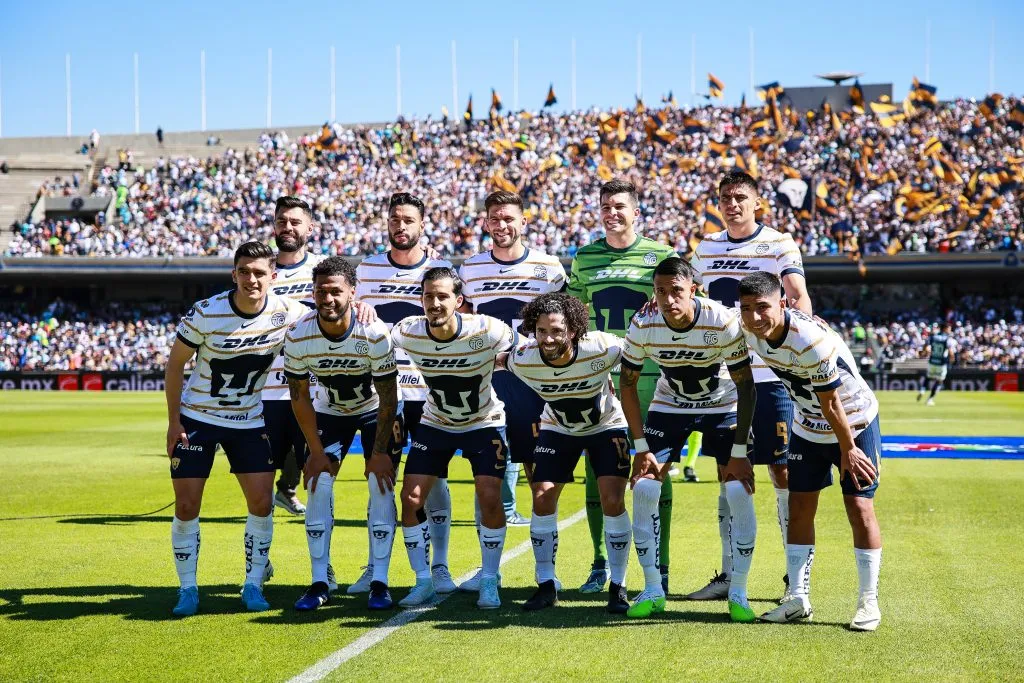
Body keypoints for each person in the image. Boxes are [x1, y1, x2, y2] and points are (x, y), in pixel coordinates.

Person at [164, 241, 309, 616]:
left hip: (249, 420)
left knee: (261, 503)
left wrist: (360, 310)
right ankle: (187, 589)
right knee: (186, 505)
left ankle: (253, 583)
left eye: (259, 272)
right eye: (244, 271)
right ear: (234, 275)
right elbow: (175, 364)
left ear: (273, 277)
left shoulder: (288, 311)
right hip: (198, 419)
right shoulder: (206, 312)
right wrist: (174, 421)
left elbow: (329, 315)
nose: (251, 279)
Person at [688, 169, 812, 603]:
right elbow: (691, 296)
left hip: (770, 375)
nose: (732, 203)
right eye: (725, 197)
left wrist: (794, 344)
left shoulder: (778, 242)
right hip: (723, 377)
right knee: (728, 475)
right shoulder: (706, 247)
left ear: (757, 202)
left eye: (741, 196)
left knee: (782, 472)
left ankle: (793, 579)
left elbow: (797, 294)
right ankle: (729, 574)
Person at [737, 272, 882, 631]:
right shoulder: (747, 327)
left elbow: (832, 405)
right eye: (747, 309)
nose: (754, 317)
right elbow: (704, 313)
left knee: (859, 507)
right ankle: (798, 599)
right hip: (807, 425)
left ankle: (868, 602)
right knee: (799, 507)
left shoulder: (809, 340)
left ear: (783, 304)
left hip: (854, 422)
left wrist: (848, 450)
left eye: (763, 308)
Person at [620, 257, 758, 621]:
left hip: (722, 404)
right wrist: (641, 447)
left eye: (676, 290)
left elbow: (746, 385)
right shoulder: (643, 322)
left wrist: (741, 450)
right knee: (645, 488)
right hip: (670, 405)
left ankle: (738, 592)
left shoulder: (722, 320)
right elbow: (628, 385)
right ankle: (652, 589)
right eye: (661, 291)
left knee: (737, 490)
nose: (668, 299)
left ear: (693, 289)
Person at [567, 178, 677, 594]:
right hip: (600, 378)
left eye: (619, 206)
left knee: (656, 472)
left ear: (636, 213)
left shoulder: (662, 256)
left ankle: (661, 566)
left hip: (652, 378)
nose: (612, 213)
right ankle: (600, 563)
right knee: (598, 473)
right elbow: (576, 314)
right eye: (605, 207)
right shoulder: (585, 257)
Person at [456, 190, 565, 590]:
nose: (502, 226)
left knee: (541, 480)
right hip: (488, 387)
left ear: (523, 222)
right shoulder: (469, 269)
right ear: (486, 224)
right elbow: (463, 322)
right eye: (495, 219)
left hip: (535, 388)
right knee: (488, 478)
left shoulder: (549, 268)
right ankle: (489, 573)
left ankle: (545, 574)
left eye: (509, 219)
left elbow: (563, 325)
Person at [391, 267, 518, 609]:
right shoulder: (407, 330)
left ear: (459, 301)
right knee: (410, 496)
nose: (435, 303)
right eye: (429, 296)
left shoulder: (487, 329)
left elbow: (524, 349)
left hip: (484, 421)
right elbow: (373, 337)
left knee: (489, 496)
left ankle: (490, 579)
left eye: (443, 296)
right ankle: (423, 580)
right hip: (437, 422)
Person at [283, 257, 404, 611]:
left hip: (373, 413)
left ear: (353, 293)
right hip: (329, 411)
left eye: (336, 291)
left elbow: (388, 397)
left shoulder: (374, 333)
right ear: (313, 292)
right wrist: (316, 452)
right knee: (318, 481)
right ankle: (320, 580)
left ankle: (379, 581)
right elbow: (299, 397)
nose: (328, 298)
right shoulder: (299, 334)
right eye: (321, 291)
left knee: (379, 482)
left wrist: (379, 452)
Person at [502, 293, 632, 614]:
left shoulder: (601, 346)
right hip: (558, 428)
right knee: (542, 494)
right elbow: (494, 360)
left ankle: (618, 586)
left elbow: (639, 349)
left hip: (606, 425)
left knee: (612, 499)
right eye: (542, 330)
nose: (548, 338)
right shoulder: (523, 358)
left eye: (557, 331)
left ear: (573, 330)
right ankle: (546, 585)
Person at [354, 192, 455, 596]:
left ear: (422, 224)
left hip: (430, 391)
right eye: (394, 219)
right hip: (383, 391)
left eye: (408, 219)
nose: (400, 225)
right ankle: (376, 567)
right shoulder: (366, 270)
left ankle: (442, 566)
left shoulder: (440, 270)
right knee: (380, 478)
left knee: (436, 480)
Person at [262, 196, 324, 517]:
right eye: (282, 221)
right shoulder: (261, 271)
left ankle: (305, 506)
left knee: (311, 450)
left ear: (309, 228)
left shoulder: (323, 268)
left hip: (313, 384)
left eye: (295, 222)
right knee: (265, 457)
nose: (288, 227)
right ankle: (263, 515)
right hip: (266, 385)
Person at [918, 322, 955, 406]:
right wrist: (952, 359)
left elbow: (926, 347)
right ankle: (929, 399)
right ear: (945, 329)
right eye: (949, 328)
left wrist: (924, 353)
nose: (950, 330)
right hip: (941, 363)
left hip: (932, 361)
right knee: (939, 381)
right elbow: (950, 351)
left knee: (928, 377)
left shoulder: (933, 336)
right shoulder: (947, 339)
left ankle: (922, 390)